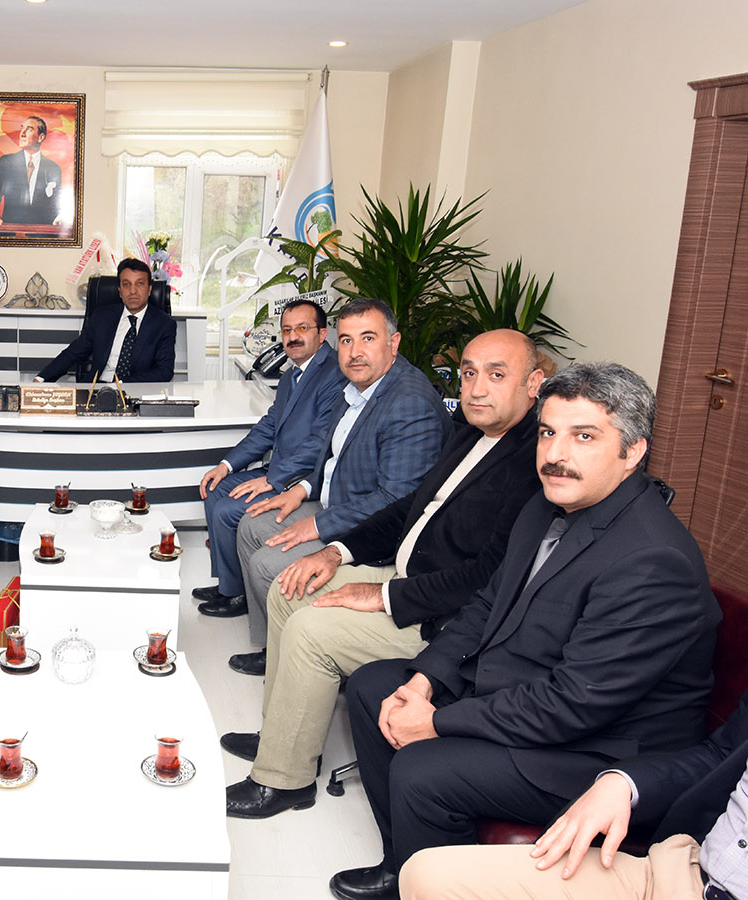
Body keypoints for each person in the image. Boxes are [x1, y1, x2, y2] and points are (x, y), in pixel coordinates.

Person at [330, 361, 721, 900]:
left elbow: (573, 704)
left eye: (584, 436)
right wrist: (424, 681)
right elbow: (487, 604)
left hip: (600, 752)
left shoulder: (653, 559)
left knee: (423, 768)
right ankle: (407, 867)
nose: (556, 454)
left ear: (632, 452)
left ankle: (432, 880)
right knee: (376, 686)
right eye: (547, 432)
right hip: (529, 688)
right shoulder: (544, 504)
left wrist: (437, 721)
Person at [220, 329, 545, 818]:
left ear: (533, 383)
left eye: (496, 375)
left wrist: (384, 595)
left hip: (443, 616)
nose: (477, 389)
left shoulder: (533, 464)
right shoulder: (471, 433)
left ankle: (284, 782)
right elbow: (410, 508)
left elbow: (488, 579)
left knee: (310, 630)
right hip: (405, 572)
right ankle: (282, 738)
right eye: (469, 373)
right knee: (292, 586)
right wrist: (336, 552)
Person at [230, 297, 452, 654]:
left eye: (368, 338)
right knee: (251, 525)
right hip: (335, 500)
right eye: (347, 340)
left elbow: (395, 501)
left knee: (267, 564)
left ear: (393, 343)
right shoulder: (356, 385)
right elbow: (331, 455)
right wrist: (302, 488)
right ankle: (270, 646)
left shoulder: (410, 404)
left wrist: (318, 525)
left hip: (371, 532)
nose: (354, 352)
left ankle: (292, 653)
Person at [399, 687, 748, 900]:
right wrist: (625, 783)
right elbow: (720, 753)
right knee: (426, 874)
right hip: (680, 871)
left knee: (425, 771)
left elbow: (575, 696)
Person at [194, 299, 347, 638]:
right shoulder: (293, 374)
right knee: (215, 488)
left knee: (228, 510)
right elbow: (268, 427)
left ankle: (238, 596)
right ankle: (231, 587)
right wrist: (226, 465)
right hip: (279, 469)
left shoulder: (333, 375)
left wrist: (272, 479)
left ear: (322, 334)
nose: (293, 337)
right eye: (287, 330)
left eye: (302, 328)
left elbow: (320, 444)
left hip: (303, 479)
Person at [36, 258, 177, 383]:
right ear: (120, 290)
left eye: (139, 284)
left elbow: (164, 371)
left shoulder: (164, 325)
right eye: (126, 284)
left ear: (149, 289)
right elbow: (73, 353)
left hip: (135, 390)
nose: (133, 291)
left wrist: (119, 384)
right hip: (96, 388)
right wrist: (41, 378)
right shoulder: (102, 317)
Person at [0, 115, 62, 230]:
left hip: (42, 234)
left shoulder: (54, 168)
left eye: (29, 129)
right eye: (22, 128)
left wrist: (60, 216)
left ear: (40, 137)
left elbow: (57, 202)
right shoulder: (6, 162)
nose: (22, 134)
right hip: (11, 232)